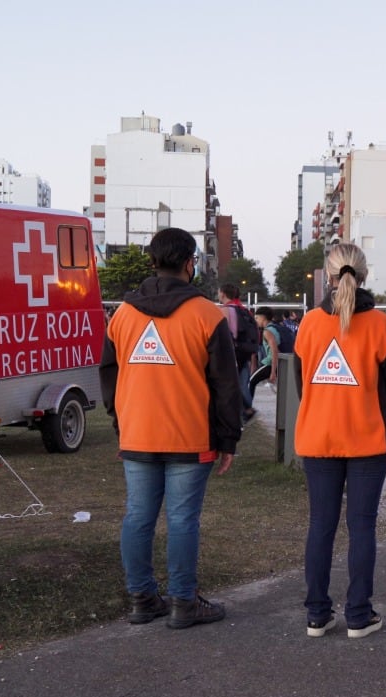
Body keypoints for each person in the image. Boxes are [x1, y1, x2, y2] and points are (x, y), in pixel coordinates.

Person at [100, 227, 240, 630]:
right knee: (182, 521)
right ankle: (183, 602)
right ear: (188, 263)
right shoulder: (207, 316)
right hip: (190, 438)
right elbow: (226, 386)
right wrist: (228, 439)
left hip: (137, 435)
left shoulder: (122, 315)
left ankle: (142, 599)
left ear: (152, 261)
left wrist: (120, 424)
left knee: (138, 517)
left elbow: (108, 375)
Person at [293, 243, 386, 639]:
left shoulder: (307, 324)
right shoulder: (382, 325)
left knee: (320, 525)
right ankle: (359, 614)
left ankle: (317, 615)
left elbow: (302, 383)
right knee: (362, 528)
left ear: (328, 275)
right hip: (367, 442)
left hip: (318, 438)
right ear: (364, 275)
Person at [218, 284, 258, 425]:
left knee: (229, 386)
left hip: (231, 353)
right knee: (242, 384)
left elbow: (228, 335)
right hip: (245, 353)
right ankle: (246, 410)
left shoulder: (224, 311)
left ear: (223, 293)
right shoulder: (244, 310)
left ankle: (241, 413)